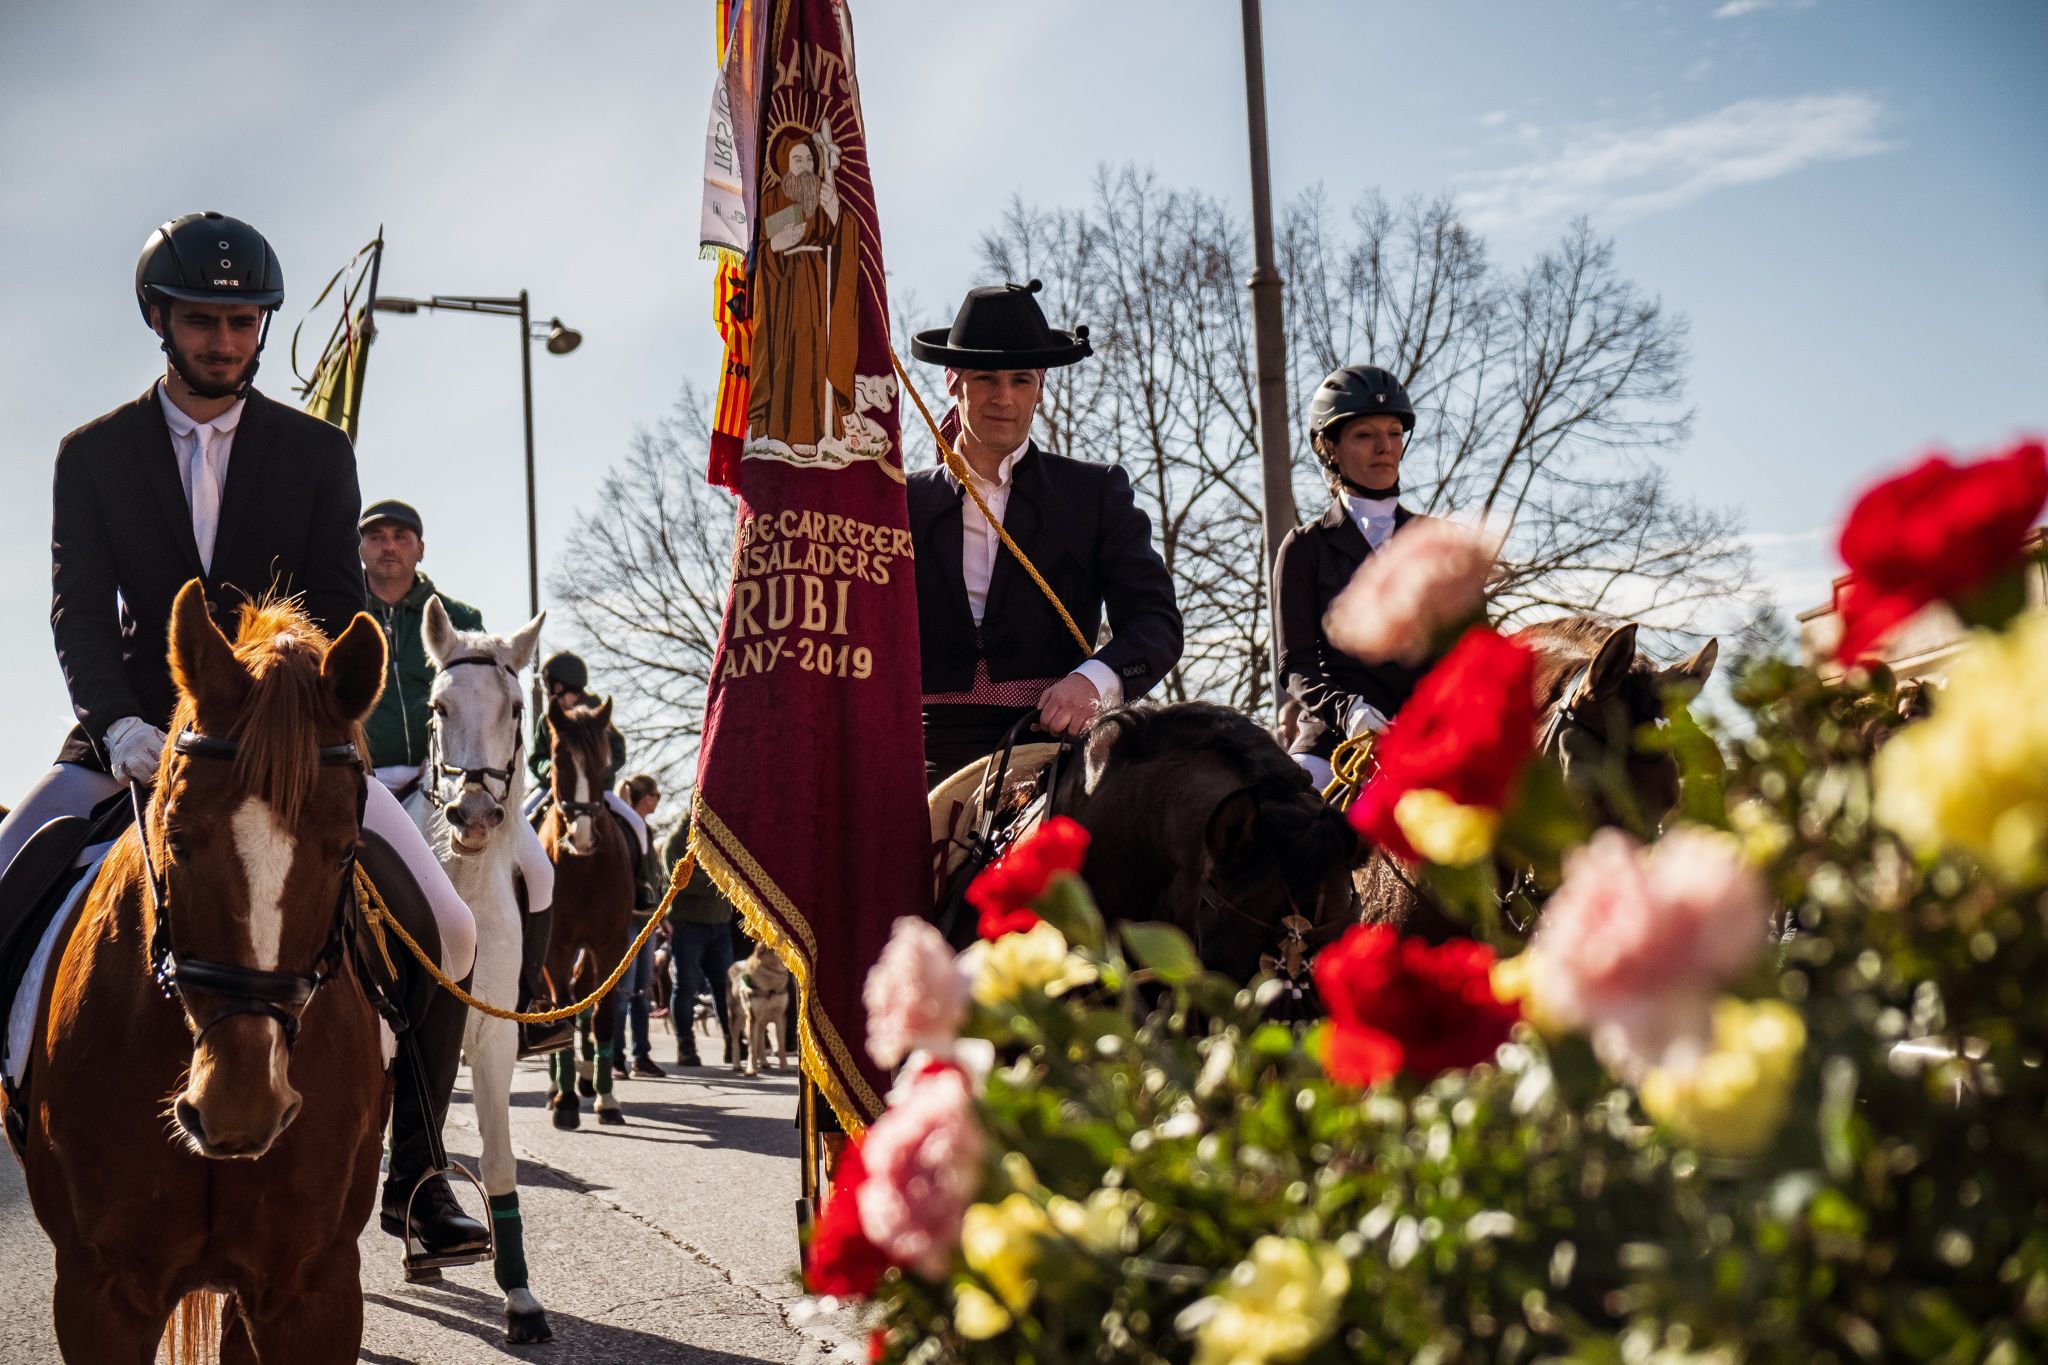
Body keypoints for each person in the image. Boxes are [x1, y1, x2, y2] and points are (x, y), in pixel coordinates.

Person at [8, 212, 486, 1258]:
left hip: (282, 741)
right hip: (130, 733)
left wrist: (302, 715)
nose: (224, 340)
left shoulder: (317, 452)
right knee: (2, 879)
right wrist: (123, 723)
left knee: (448, 927)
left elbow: (327, 599)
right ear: (159, 320)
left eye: (241, 320)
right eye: (203, 320)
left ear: (261, 326)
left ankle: (417, 1175)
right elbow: (78, 613)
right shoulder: (92, 455)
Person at [907, 280, 1183, 784]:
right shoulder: (899, 503)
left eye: (1021, 380)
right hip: (922, 748)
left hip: (1053, 742)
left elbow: (1155, 622)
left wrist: (1092, 681)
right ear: (953, 379)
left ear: (1042, 386)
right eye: (986, 378)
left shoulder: (1094, 492)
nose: (1004, 399)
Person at [358, 497, 567, 1057]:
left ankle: (526, 1006)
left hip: (453, 780)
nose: (389, 545)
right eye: (377, 536)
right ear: (361, 547)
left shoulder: (459, 617)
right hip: (367, 779)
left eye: (401, 536)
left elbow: (496, 706)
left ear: (419, 548)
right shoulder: (339, 612)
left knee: (540, 872)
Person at [1271, 364, 1432, 789]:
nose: (1385, 447)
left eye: (1394, 432)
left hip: (1427, 738)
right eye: (1365, 435)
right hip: (1333, 741)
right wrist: (1348, 711)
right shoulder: (1305, 548)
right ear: (1330, 448)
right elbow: (1296, 664)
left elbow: (1470, 656)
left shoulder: (1438, 543)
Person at [527, 650, 647, 855]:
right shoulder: (547, 718)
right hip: (553, 787)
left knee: (637, 824)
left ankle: (643, 883)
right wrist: (547, 768)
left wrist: (594, 775)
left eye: (549, 686)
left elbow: (618, 751)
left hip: (597, 790)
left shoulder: (597, 713)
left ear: (562, 685)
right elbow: (536, 756)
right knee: (522, 818)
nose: (547, 693)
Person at [663, 819, 735, 1068]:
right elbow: (679, 878)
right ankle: (685, 1045)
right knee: (685, 987)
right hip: (688, 924)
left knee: (724, 987)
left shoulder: (724, 834)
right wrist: (719, 881)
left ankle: (733, 1042)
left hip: (720, 923)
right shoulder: (677, 840)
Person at [611, 773, 666, 1078]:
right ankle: (615, 1057)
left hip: (647, 920)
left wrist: (661, 915)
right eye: (656, 795)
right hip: (628, 920)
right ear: (646, 798)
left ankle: (640, 1055)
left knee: (643, 991)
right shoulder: (623, 829)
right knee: (623, 991)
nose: (658, 800)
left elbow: (653, 881)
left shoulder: (645, 829)